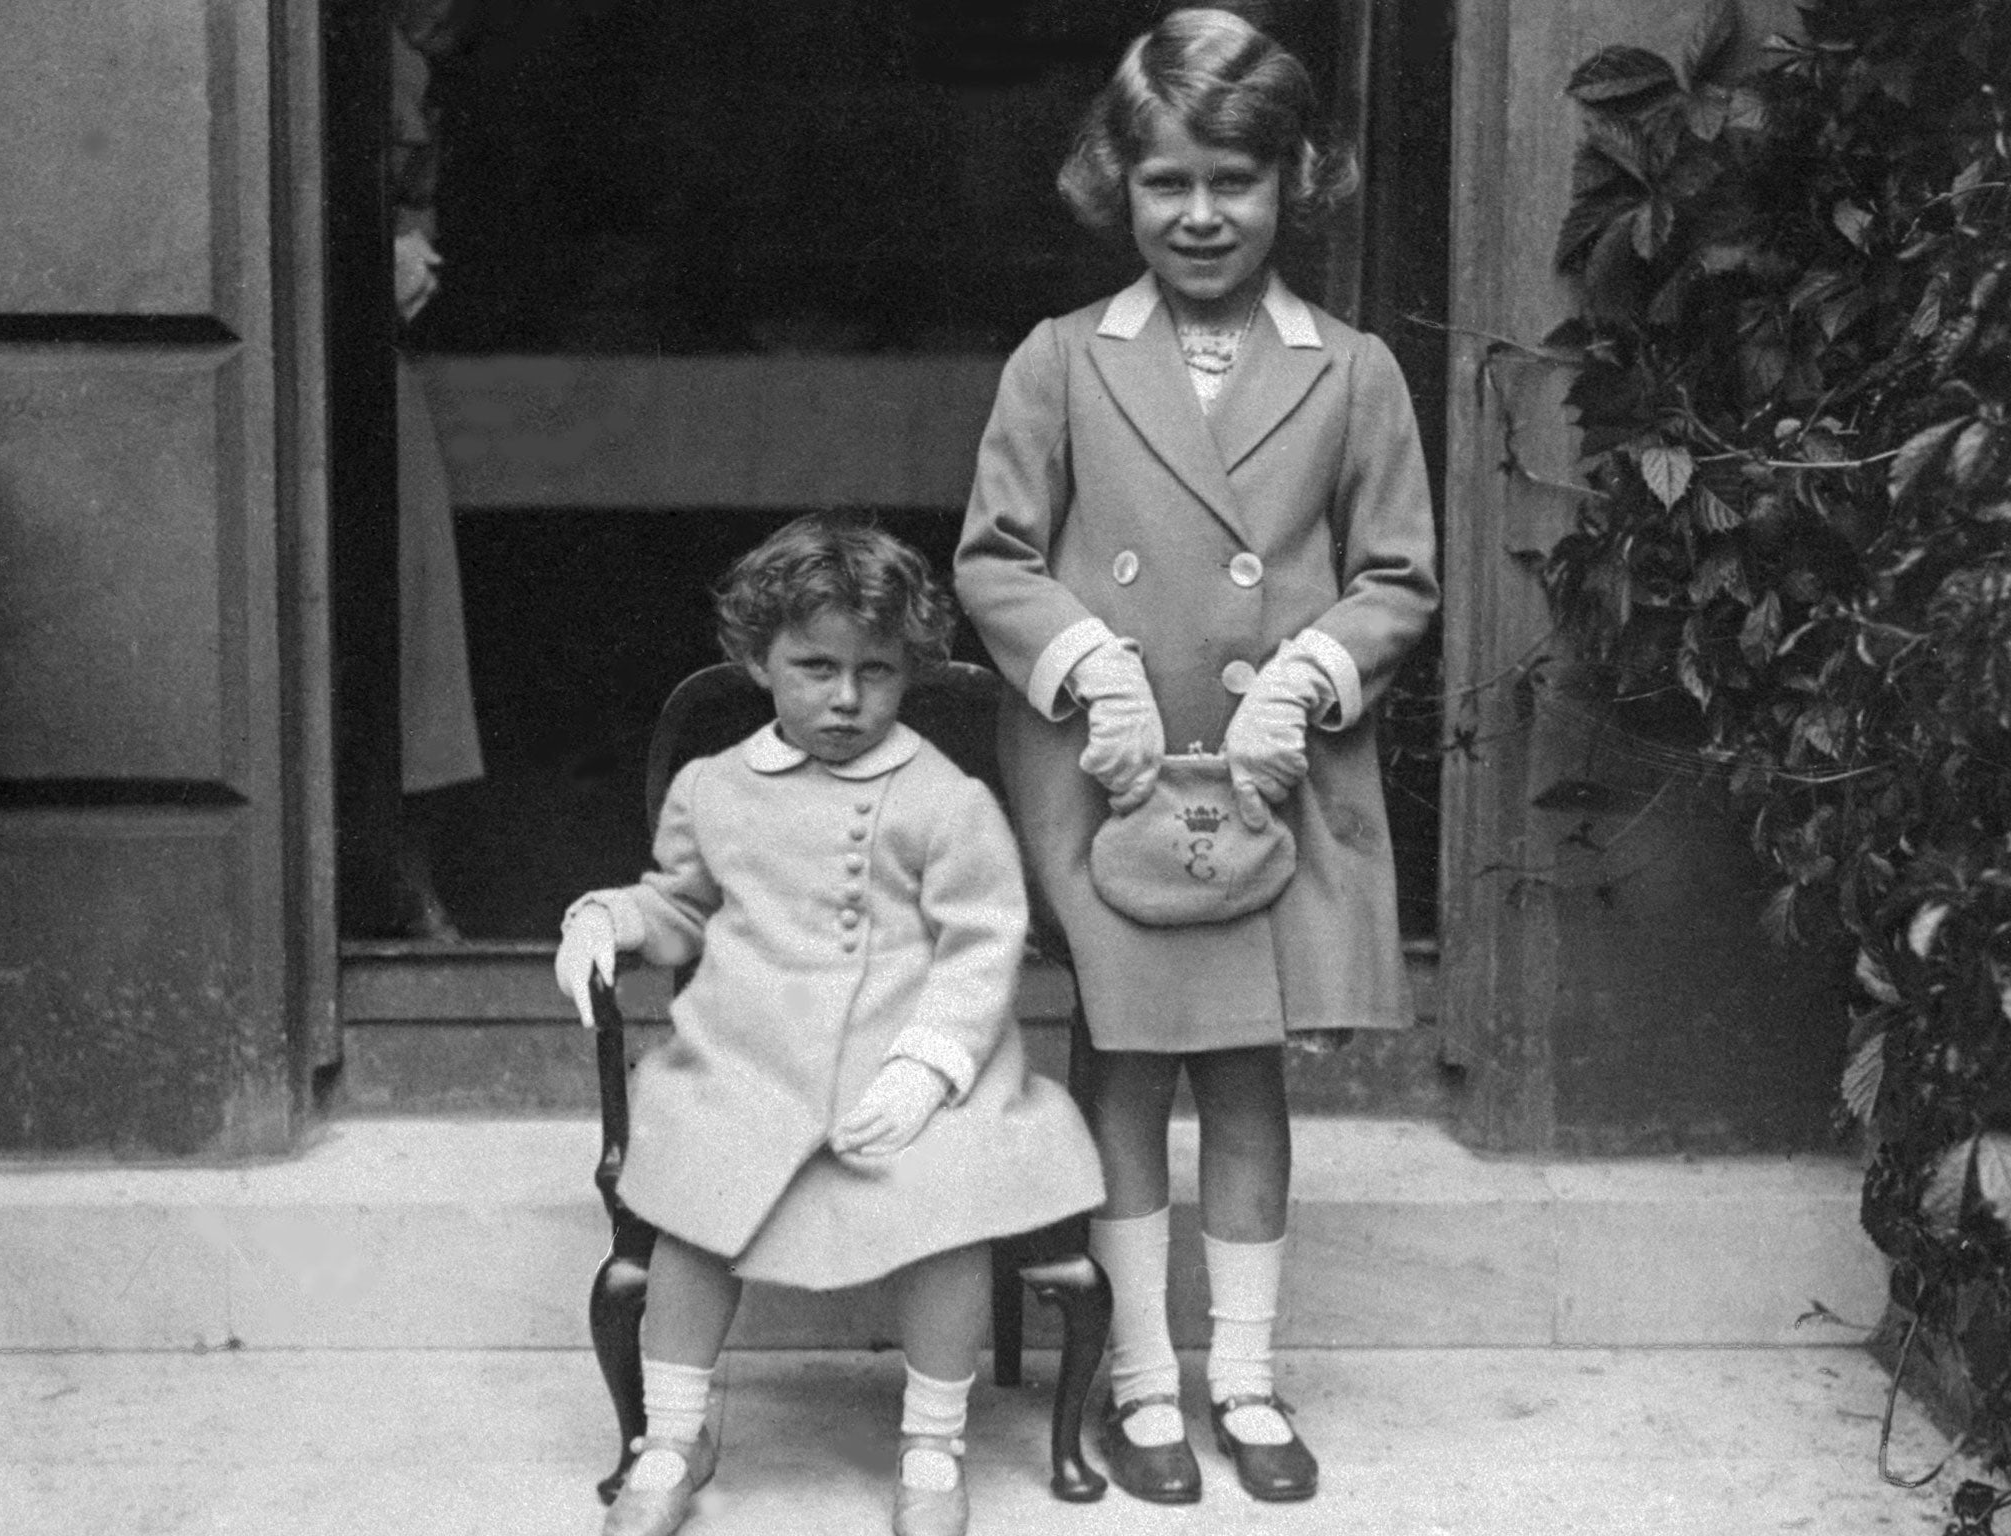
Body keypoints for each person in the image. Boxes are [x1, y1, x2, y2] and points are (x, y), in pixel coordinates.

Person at [953, 8, 1438, 1507]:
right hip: (1115, 774)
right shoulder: (1061, 360)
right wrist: (1082, 656)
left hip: (1265, 774)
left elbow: (1400, 576)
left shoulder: (1350, 370)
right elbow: (992, 556)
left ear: (1296, 178)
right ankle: (1141, 1384)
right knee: (1125, 1062)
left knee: (1244, 1075)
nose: (1203, 214)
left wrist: (1312, 671)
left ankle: (1247, 1376)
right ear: (1120, 182)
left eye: (1235, 178)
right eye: (1168, 183)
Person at [554, 515, 1105, 1536]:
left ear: (909, 674)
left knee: (942, 1204)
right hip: (750, 1054)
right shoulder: (713, 789)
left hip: (913, 1058)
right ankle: (672, 1435)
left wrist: (925, 1071)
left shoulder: (944, 799)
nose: (845, 698)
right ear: (758, 659)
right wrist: (609, 917)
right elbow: (680, 907)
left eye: (876, 672)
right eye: (813, 667)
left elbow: (982, 944)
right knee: (693, 1200)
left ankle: (933, 1444)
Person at [388, 0, 484, 938]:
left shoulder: (416, 60)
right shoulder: (377, 55)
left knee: (412, 631)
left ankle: (410, 888)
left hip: (390, 372)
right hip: (342, 374)